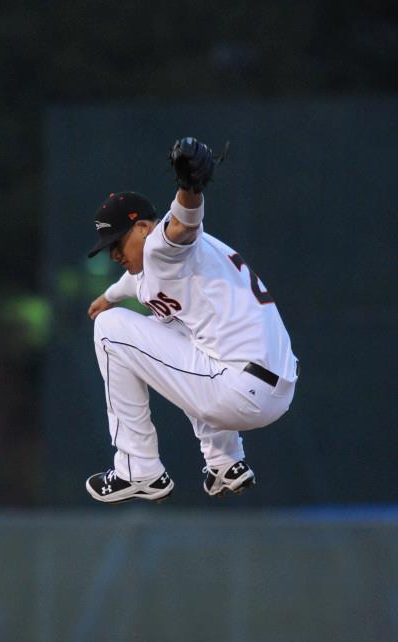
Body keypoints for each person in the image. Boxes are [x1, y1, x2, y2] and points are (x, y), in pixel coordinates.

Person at [85, 136, 299, 503]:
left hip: (239, 389)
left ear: (143, 228)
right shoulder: (161, 267)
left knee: (109, 330)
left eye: (117, 243)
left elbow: (182, 225)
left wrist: (190, 187)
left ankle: (138, 470)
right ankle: (226, 463)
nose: (114, 254)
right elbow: (134, 282)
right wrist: (108, 296)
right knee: (174, 329)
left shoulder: (161, 247)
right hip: (276, 386)